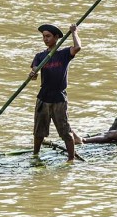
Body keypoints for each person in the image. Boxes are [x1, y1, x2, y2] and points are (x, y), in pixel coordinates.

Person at [29, 23, 81, 162]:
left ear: (56, 37)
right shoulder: (40, 56)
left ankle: (71, 159)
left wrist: (74, 32)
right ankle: (36, 155)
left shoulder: (63, 54)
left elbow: (77, 47)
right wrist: (33, 73)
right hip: (44, 98)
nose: (45, 39)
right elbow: (34, 72)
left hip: (59, 98)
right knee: (38, 132)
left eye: (48, 36)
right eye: (43, 36)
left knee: (65, 132)